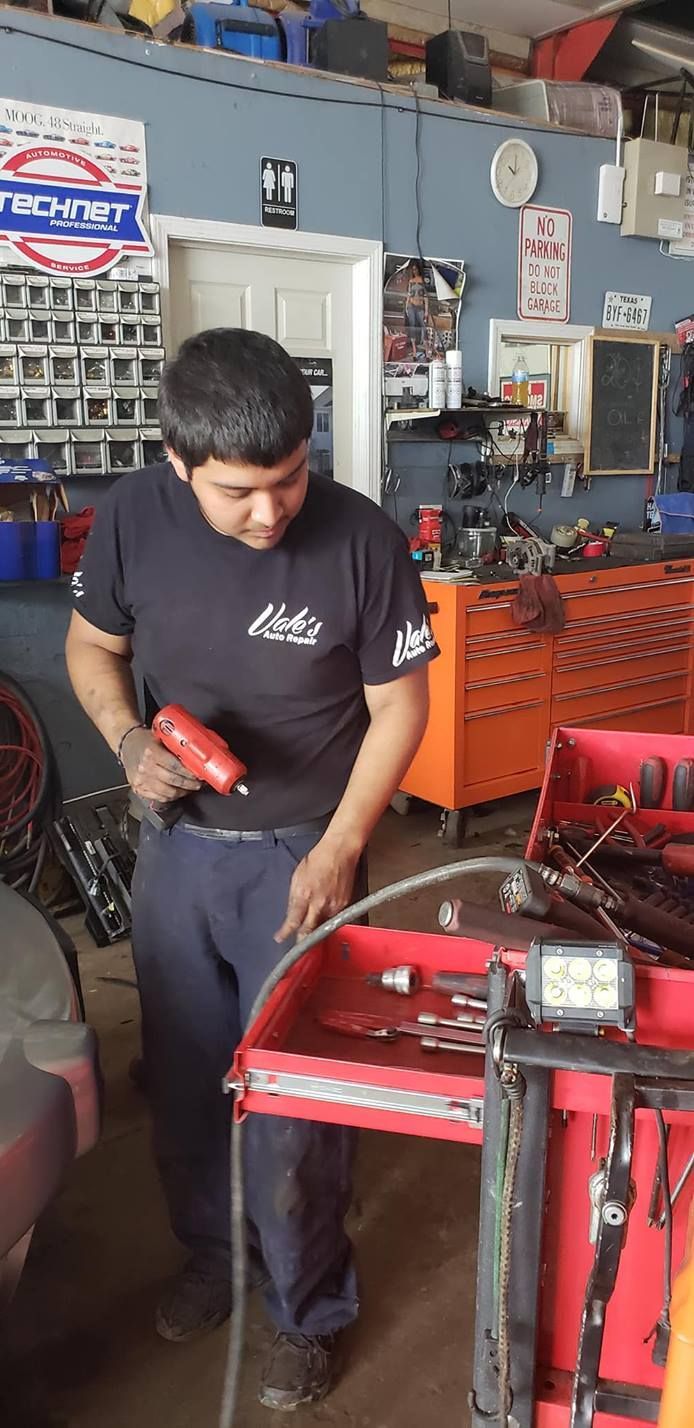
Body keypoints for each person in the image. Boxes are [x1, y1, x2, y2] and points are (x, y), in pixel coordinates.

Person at [65, 328, 438, 1412]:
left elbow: (398, 708)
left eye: (288, 476)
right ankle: (210, 1260)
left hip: (302, 856)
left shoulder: (361, 541)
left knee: (292, 1107)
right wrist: (130, 746)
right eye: (239, 491)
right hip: (179, 856)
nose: (271, 510)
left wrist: (336, 848)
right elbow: (96, 649)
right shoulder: (136, 516)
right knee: (183, 1079)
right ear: (177, 463)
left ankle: (305, 1309)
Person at [404, 260, 429, 353]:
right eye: (413, 270)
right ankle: (414, 350)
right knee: (412, 326)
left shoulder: (422, 281)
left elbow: (426, 296)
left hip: (420, 306)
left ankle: (427, 350)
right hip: (411, 305)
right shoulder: (411, 281)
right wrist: (406, 306)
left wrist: (426, 310)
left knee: (423, 326)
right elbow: (409, 294)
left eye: (416, 269)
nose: (414, 271)